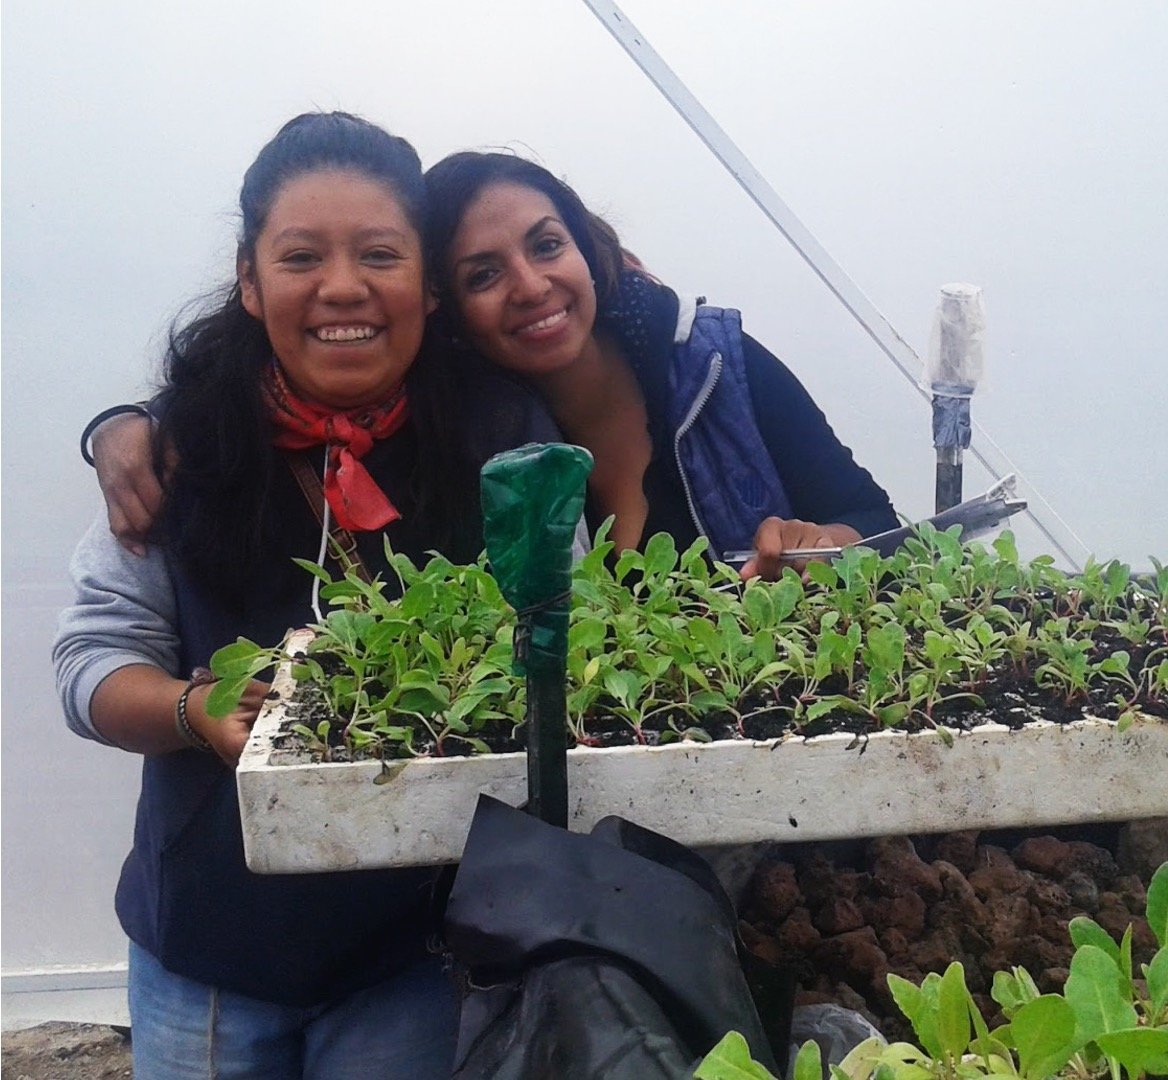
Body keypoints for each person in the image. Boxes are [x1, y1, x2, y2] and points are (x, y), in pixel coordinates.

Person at [53, 112, 559, 1079]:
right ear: (249, 279)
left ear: (427, 282)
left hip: (411, 956)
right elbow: (90, 661)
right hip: (209, 956)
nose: (342, 288)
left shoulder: (499, 439)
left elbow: (565, 633)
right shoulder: (181, 448)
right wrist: (194, 712)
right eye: (300, 256)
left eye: (380, 254)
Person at [88, 151, 897, 577]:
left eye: (547, 245)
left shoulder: (715, 372)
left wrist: (825, 548)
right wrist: (135, 424)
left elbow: (886, 528)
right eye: (482, 273)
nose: (530, 286)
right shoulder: (468, 436)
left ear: (587, 246)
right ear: (440, 302)